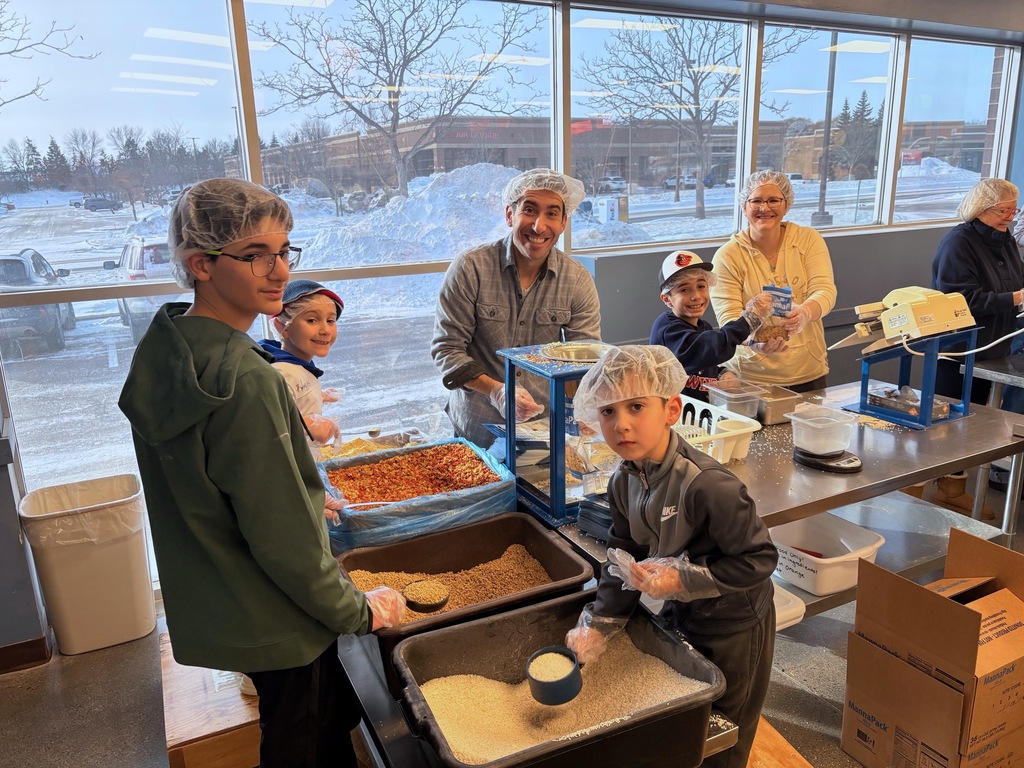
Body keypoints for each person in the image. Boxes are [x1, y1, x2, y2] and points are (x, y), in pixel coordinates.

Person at [118, 178, 405, 768]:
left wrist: (303, 493)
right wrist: (356, 608)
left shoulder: (171, 349)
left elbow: (222, 486)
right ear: (201, 263)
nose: (278, 272)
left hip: (225, 595)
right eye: (255, 256)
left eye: (284, 251)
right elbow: (280, 538)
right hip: (278, 611)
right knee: (306, 739)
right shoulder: (246, 379)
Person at [565, 344, 777, 768]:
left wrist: (683, 581)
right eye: (607, 411)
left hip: (734, 623)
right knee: (686, 720)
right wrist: (601, 625)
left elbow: (758, 560)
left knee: (723, 731)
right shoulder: (623, 481)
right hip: (680, 614)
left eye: (636, 406)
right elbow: (623, 555)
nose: (621, 424)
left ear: (671, 409)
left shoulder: (708, 486)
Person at [431, 168, 602, 449]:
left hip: (543, 427)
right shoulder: (471, 268)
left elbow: (585, 359)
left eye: (551, 214)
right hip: (478, 427)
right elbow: (447, 349)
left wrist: (583, 410)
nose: (538, 226)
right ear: (510, 215)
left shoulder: (577, 280)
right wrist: (497, 391)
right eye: (530, 210)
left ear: (563, 223)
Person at [930, 178, 1021, 513]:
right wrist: (1016, 298)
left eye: (1014, 209)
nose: (1010, 216)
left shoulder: (1004, 238)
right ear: (982, 208)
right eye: (1003, 210)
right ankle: (941, 488)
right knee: (949, 422)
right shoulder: (958, 242)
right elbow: (962, 298)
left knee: (975, 422)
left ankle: (955, 488)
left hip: (993, 348)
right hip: (959, 347)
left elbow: (1016, 277)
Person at [710, 170, 838, 392]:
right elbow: (728, 318)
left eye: (773, 200)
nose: (764, 208)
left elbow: (825, 291)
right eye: (756, 200)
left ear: (786, 204)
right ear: (744, 207)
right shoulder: (728, 256)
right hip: (750, 378)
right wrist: (754, 342)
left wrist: (806, 312)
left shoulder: (808, 240)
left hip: (807, 372)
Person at [649, 249, 773, 401]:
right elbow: (707, 348)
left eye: (701, 286)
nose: (696, 296)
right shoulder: (668, 329)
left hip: (703, 414)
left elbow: (704, 365)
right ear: (667, 299)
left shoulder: (704, 328)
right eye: (684, 289)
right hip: (676, 416)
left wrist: (722, 373)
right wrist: (750, 319)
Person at [259, 279, 345, 449]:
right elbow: (265, 427)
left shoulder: (295, 364)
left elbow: (290, 402)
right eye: (312, 320)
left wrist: (314, 395)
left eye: (330, 320)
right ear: (281, 326)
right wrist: (306, 426)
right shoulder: (282, 373)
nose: (325, 330)